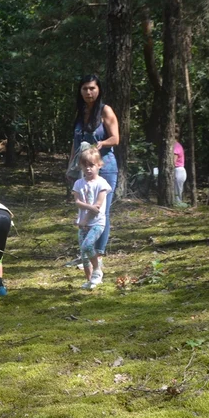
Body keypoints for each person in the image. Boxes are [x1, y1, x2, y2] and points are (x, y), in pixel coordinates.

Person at [69, 74, 119, 284]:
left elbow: (116, 138)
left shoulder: (105, 110)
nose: (88, 92)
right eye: (84, 89)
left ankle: (98, 254)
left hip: (104, 166)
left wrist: (102, 143)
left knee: (102, 211)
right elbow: (75, 141)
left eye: (92, 88)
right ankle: (89, 253)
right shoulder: (81, 112)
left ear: (98, 89)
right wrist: (70, 165)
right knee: (86, 207)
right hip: (84, 167)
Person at [71, 146, 110, 290]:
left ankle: (97, 270)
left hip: (96, 223)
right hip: (82, 224)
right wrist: (86, 212)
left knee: (88, 246)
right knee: (83, 253)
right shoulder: (78, 183)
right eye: (85, 165)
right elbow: (77, 202)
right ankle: (90, 281)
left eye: (91, 165)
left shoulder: (102, 184)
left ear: (99, 165)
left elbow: (97, 207)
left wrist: (85, 219)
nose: (88, 169)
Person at [173, 140, 187, 205]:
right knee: (176, 191)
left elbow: (173, 161)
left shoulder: (176, 146)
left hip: (178, 171)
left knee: (177, 192)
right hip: (177, 171)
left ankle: (178, 205)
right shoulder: (175, 145)